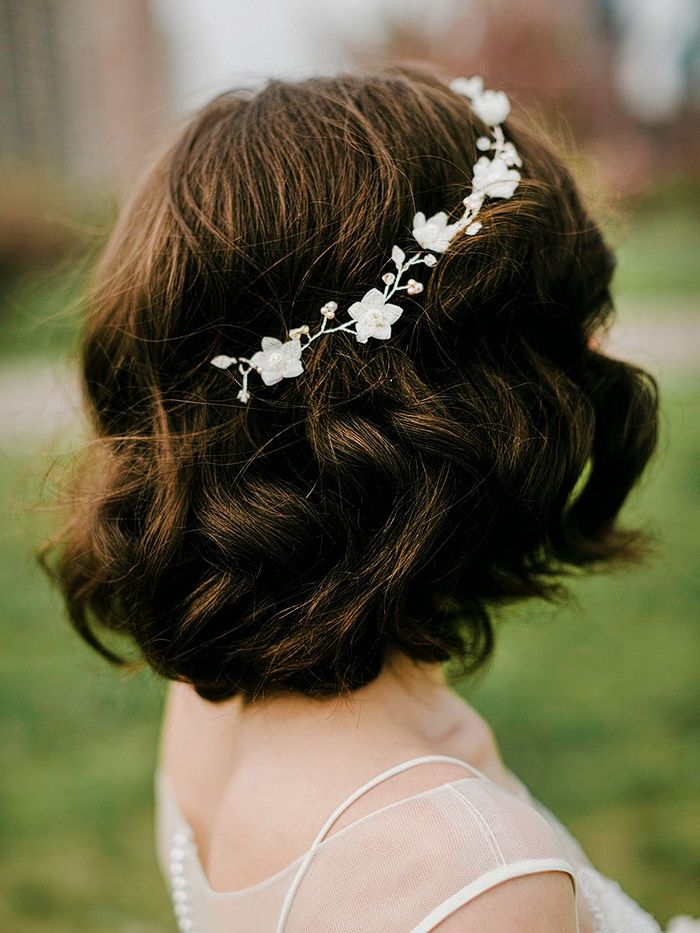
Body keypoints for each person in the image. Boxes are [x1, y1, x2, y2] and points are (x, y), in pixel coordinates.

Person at [40, 66, 697, 932]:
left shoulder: (213, 708)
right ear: (460, 405)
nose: (597, 345)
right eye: (554, 324)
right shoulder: (471, 877)